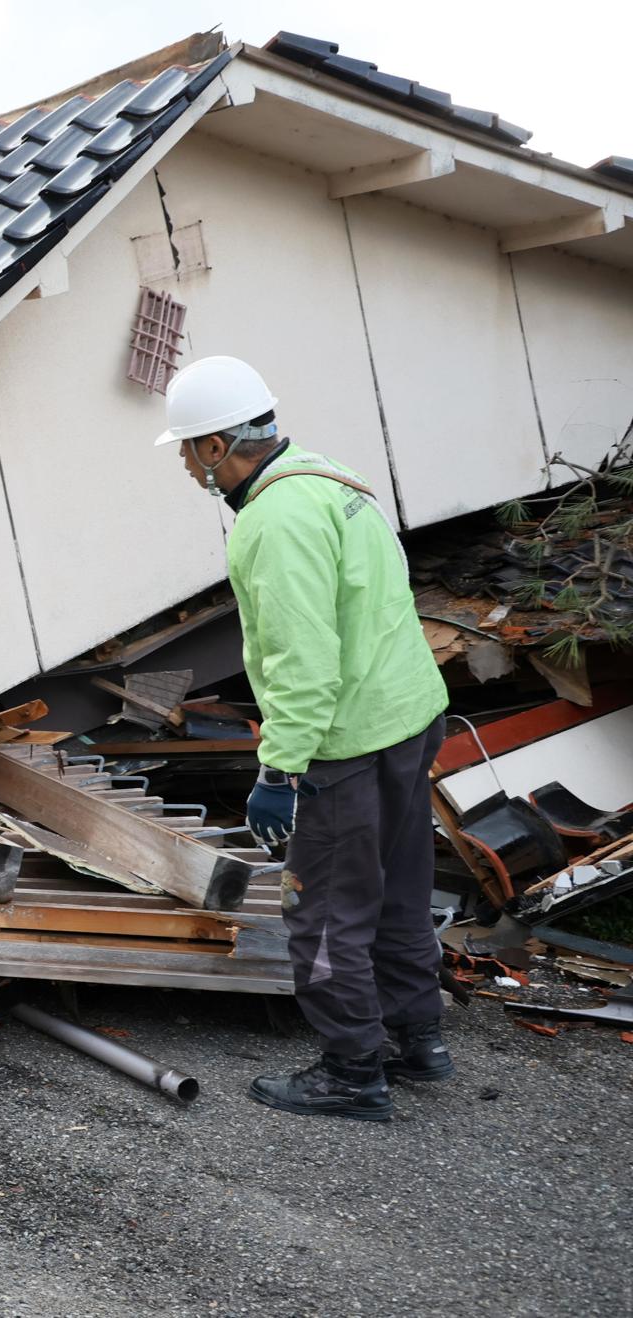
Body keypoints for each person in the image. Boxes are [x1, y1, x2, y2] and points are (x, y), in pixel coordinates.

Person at [157, 356, 451, 1122]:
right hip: (408, 718)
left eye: (189, 450)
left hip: (346, 743)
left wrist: (279, 769)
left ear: (219, 446)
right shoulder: (331, 480)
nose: (187, 467)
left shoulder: (273, 522)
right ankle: (419, 1039)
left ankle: (352, 1072)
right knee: (400, 890)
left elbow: (304, 664)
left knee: (322, 913)